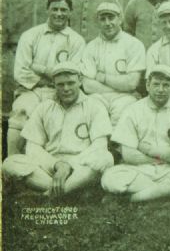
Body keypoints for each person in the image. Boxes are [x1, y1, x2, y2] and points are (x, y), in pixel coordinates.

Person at [3, 62, 114, 198]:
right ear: (54, 84)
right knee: (10, 163)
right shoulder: (44, 107)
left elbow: (99, 146)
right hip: (50, 169)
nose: (66, 88)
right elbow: (33, 148)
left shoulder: (94, 106)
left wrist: (68, 166)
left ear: (80, 81)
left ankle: (49, 194)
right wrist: (57, 165)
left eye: (70, 83)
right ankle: (70, 192)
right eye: (60, 84)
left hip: (79, 169)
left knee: (105, 158)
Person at [101, 65, 170, 202]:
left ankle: (135, 198)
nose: (161, 90)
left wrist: (150, 151)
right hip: (140, 170)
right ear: (148, 85)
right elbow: (129, 155)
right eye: (156, 84)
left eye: (166, 85)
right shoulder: (132, 110)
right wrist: (162, 157)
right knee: (110, 177)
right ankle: (164, 192)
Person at [6, 0, 85, 157]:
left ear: (70, 12)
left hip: (60, 92)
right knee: (21, 110)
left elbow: (71, 75)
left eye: (64, 10)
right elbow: (20, 72)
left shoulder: (76, 40)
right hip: (31, 90)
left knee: (52, 117)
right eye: (55, 9)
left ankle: (47, 163)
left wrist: (38, 67)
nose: (59, 13)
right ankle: (12, 162)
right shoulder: (30, 35)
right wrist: (52, 76)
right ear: (47, 10)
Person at [80, 2, 145, 126]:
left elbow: (132, 83)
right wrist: (120, 87)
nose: (107, 23)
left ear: (120, 19)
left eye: (111, 18)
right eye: (103, 19)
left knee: (122, 118)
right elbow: (88, 85)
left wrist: (102, 77)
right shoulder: (91, 47)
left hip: (125, 98)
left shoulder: (134, 44)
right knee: (91, 114)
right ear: (97, 22)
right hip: (98, 96)